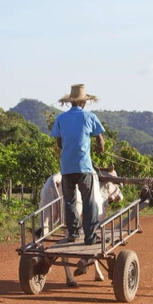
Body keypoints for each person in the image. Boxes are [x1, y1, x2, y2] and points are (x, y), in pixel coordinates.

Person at [50, 84, 106, 245]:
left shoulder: (60, 118)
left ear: (71, 102)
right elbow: (100, 143)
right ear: (84, 102)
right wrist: (97, 148)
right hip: (84, 167)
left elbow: (59, 143)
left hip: (66, 168)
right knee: (89, 202)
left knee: (69, 202)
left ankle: (73, 233)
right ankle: (91, 237)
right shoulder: (90, 117)